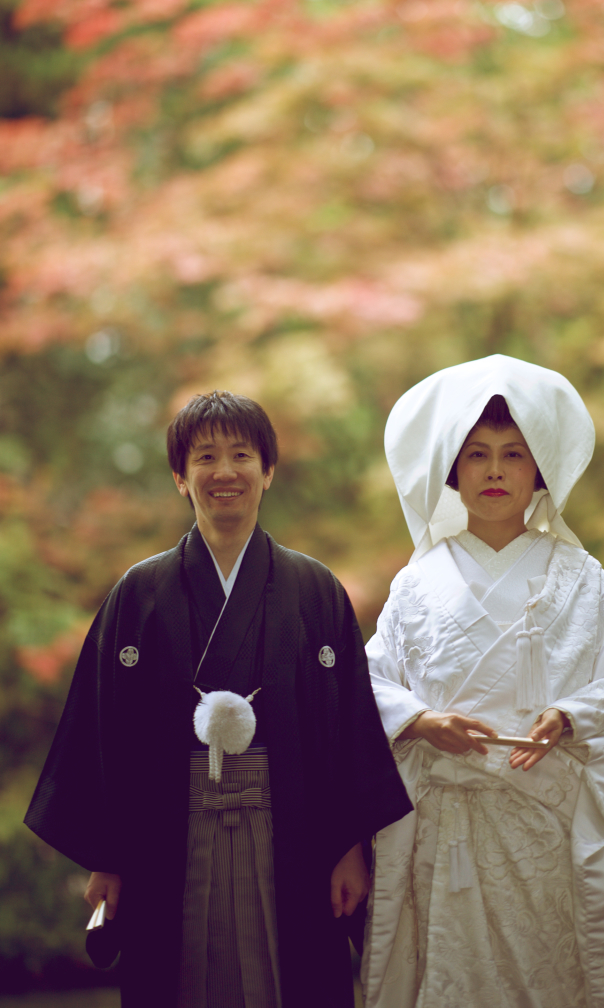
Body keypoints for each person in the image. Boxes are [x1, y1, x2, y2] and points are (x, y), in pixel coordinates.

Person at [25, 390, 412, 1008]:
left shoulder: (315, 591)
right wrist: (107, 856)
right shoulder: (139, 593)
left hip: (295, 830)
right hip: (165, 834)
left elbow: (348, 728)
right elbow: (102, 730)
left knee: (291, 978)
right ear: (181, 477)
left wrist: (349, 846)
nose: (225, 471)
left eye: (242, 454)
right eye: (206, 457)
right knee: (178, 979)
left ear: (269, 471)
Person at [361, 354, 604, 1008]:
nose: (493, 470)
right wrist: (420, 722)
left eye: (513, 455)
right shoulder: (415, 585)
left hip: (549, 829)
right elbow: (369, 682)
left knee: (558, 976)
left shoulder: (578, 576)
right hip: (447, 824)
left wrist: (570, 715)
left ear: (538, 470)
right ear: (452, 472)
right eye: (477, 454)